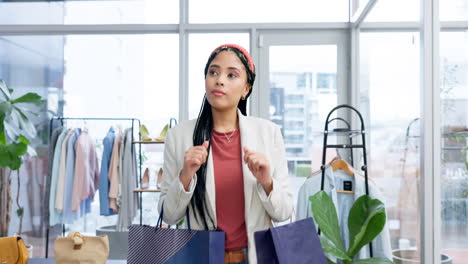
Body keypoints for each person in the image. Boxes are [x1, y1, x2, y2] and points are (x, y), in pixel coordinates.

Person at [158, 44, 294, 264]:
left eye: (232, 75)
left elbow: (284, 212)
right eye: (213, 72)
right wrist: (185, 176)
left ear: (246, 89)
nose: (219, 80)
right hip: (202, 258)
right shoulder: (179, 136)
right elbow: (168, 215)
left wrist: (267, 182)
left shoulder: (268, 134)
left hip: (255, 258)